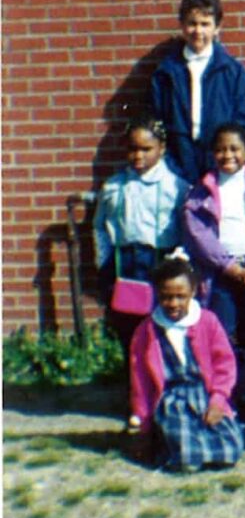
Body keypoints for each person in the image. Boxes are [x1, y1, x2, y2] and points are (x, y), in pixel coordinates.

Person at [181, 122, 245, 409]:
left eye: (235, 149)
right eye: (221, 149)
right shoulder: (202, 190)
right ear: (213, 153)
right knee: (223, 335)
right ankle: (228, 396)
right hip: (220, 274)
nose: (228, 155)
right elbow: (198, 232)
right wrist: (228, 266)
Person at [127, 255, 244, 472]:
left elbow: (225, 365)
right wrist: (143, 423)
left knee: (231, 450)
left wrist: (218, 401)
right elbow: (140, 381)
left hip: (204, 395)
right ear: (157, 294)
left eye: (180, 296)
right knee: (187, 456)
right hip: (172, 400)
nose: (173, 304)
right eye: (166, 297)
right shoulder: (147, 331)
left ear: (193, 292)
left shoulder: (207, 321)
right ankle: (168, 445)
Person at [93, 114, 190, 356]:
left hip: (162, 260)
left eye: (146, 149)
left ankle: (165, 372)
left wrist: (179, 259)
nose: (138, 156)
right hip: (124, 263)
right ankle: (135, 374)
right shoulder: (114, 186)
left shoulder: (176, 187)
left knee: (163, 323)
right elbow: (99, 225)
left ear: (162, 148)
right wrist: (103, 259)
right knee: (130, 326)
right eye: (132, 149)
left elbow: (189, 230)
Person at [149, 0, 245, 184]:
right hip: (179, 166)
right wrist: (170, 165)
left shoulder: (233, 72)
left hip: (222, 166)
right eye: (192, 23)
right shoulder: (166, 73)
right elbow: (157, 122)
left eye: (205, 24)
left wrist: (230, 160)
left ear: (217, 28)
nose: (198, 31)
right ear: (182, 25)